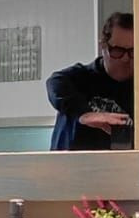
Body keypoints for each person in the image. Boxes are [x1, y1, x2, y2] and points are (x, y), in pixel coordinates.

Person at [46, 12, 134, 150]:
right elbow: (55, 83)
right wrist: (85, 114)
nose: (125, 59)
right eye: (117, 50)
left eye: (132, 51)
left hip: (118, 163)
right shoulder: (80, 78)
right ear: (103, 46)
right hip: (68, 162)